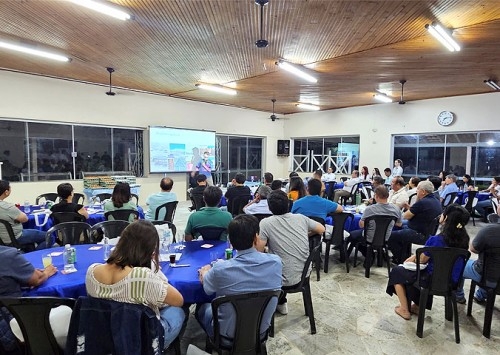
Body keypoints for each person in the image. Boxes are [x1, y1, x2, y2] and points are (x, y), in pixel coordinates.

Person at [85, 220, 185, 349]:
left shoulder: (92, 271)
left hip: (105, 338)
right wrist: (153, 268)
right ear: (150, 249)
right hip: (141, 339)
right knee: (179, 311)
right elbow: (178, 300)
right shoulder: (142, 276)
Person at [196, 215, 282, 342]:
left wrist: (205, 272)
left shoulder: (220, 269)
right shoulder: (276, 263)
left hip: (226, 337)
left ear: (230, 241)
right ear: (256, 238)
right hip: (260, 334)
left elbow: (207, 289)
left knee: (202, 308)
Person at [386, 204, 470, 320]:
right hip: (452, 281)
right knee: (416, 273)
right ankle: (418, 305)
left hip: (432, 280)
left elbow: (422, 259)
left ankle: (404, 309)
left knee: (398, 271)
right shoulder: (465, 239)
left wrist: (411, 258)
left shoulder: (437, 240)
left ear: (445, 218)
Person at [256, 190, 325, 314]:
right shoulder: (300, 218)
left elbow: (258, 252)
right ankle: (281, 302)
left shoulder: (266, 223)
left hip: (282, 279)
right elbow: (321, 229)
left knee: (262, 268)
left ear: (269, 207)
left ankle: (272, 304)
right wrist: (306, 234)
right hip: (304, 274)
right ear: (288, 204)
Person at [0, 245, 69, 352]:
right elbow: (37, 279)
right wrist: (47, 272)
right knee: (68, 311)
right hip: (12, 324)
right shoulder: (7, 255)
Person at [387, 180, 442, 264]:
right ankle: (404, 253)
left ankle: (400, 258)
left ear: (423, 192)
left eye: (418, 189)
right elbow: (417, 212)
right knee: (400, 225)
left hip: (418, 233)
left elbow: (405, 216)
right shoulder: (435, 200)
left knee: (390, 236)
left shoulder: (422, 202)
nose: (416, 191)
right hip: (427, 231)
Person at [346, 186, 402, 258]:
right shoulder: (396, 209)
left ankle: (366, 253)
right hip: (386, 237)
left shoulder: (370, 209)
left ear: (376, 196)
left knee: (352, 235)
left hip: (369, 237)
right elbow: (399, 224)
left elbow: (361, 225)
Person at [455, 221, 500, 304]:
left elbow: (473, 249)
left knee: (458, 264)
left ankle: (458, 296)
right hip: (493, 277)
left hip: (488, 277)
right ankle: (480, 295)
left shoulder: (489, 230)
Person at [0, 180, 49, 250]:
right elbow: (25, 219)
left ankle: (29, 252)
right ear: (6, 192)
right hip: (15, 237)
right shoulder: (7, 207)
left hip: (2, 238)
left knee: (30, 241)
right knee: (49, 236)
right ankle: (35, 255)